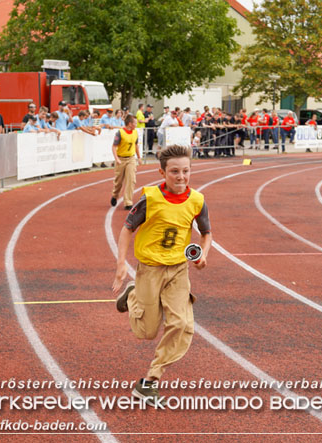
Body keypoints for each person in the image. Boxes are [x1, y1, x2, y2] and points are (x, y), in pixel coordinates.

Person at [112, 144, 212, 407]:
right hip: (150, 269)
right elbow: (126, 230)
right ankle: (133, 294)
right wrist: (121, 264)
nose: (181, 177)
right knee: (146, 332)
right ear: (162, 172)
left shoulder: (197, 201)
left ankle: (151, 380)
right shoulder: (150, 198)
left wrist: (203, 255)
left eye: (186, 171)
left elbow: (206, 234)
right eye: (175, 171)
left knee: (182, 325)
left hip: (179, 270)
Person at [110, 115, 141, 210]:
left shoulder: (135, 132)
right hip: (121, 159)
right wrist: (117, 159)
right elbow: (114, 147)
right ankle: (115, 195)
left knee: (131, 179)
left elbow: (136, 145)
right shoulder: (120, 133)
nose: (136, 124)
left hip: (131, 159)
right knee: (118, 182)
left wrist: (139, 157)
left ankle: (128, 202)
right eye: (135, 123)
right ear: (130, 124)